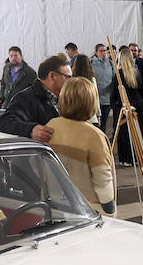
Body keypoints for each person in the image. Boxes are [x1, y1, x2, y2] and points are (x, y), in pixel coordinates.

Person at [47, 77, 117, 216]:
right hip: (89, 209)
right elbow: (102, 176)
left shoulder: (51, 126)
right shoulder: (94, 135)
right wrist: (109, 205)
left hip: (57, 206)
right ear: (90, 101)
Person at [1, 56, 71, 143]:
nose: (70, 81)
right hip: (41, 154)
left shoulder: (64, 98)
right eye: (67, 77)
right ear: (52, 76)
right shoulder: (25, 98)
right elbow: (6, 122)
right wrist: (31, 130)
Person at [113, 47, 143, 165]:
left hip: (124, 105)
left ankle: (126, 159)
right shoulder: (136, 72)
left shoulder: (118, 74)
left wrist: (115, 105)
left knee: (125, 133)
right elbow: (141, 88)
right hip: (137, 104)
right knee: (138, 131)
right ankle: (139, 157)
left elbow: (114, 94)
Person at [89, 43, 116, 132]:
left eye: (104, 50)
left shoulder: (110, 63)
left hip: (107, 98)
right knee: (95, 123)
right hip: (95, 98)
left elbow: (114, 77)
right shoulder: (91, 63)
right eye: (101, 51)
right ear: (96, 52)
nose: (103, 53)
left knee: (104, 122)